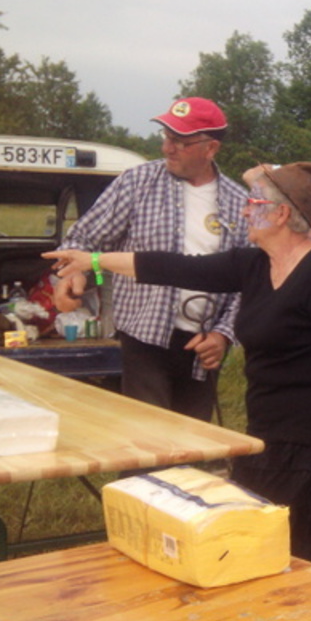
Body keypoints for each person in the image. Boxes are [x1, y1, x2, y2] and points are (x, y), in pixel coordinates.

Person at [46, 144, 311, 590]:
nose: (244, 211)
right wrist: (93, 260)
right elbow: (173, 267)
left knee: (301, 526)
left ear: (282, 215)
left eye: (254, 203)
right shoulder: (254, 264)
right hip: (268, 424)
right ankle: (303, 598)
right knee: (274, 521)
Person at [54, 98, 248, 420]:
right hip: (143, 337)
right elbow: (83, 239)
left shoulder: (239, 203)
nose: (167, 148)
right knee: (147, 434)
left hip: (203, 346)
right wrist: (73, 275)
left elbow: (247, 279)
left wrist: (224, 334)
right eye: (166, 137)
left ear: (211, 148)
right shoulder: (137, 182)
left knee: (194, 439)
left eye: (180, 142)